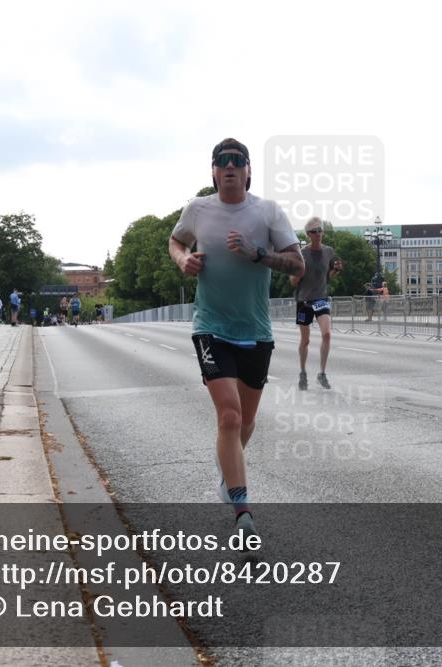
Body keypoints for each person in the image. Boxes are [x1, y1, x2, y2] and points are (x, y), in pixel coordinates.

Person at [168, 137, 303, 540]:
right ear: (212, 171)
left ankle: (229, 469)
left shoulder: (267, 211)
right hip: (210, 326)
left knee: (245, 421)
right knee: (228, 415)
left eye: (236, 161)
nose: (229, 166)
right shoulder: (198, 209)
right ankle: (242, 510)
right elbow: (176, 241)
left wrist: (257, 254)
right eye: (221, 161)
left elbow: (296, 263)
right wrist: (183, 260)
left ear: (248, 170)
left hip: (256, 331)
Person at [290, 217, 342, 390]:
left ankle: (322, 373)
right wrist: (300, 271)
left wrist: (335, 270)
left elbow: (327, 277)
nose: (318, 234)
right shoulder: (301, 253)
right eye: (314, 231)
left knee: (326, 334)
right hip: (304, 300)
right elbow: (293, 281)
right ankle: (303, 372)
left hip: (321, 298)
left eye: (320, 230)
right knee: (305, 340)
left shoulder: (328, 251)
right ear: (308, 234)